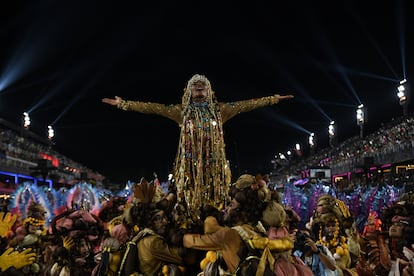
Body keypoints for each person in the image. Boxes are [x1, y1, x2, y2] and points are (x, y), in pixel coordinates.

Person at [102, 74, 294, 217]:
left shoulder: (221, 111)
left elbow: (248, 104)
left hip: (215, 169)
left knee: (215, 199)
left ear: (209, 91)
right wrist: (123, 104)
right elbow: (153, 108)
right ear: (189, 91)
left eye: (203, 88)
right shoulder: (181, 112)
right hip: (190, 170)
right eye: (195, 87)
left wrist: (273, 99)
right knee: (190, 200)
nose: (199, 90)